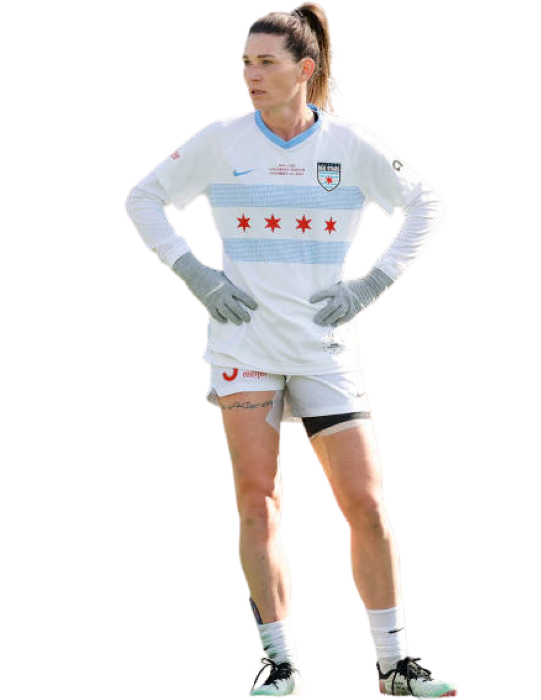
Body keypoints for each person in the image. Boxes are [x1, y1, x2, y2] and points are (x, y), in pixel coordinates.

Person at [124, 4, 455, 697]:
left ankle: (394, 666)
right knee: (257, 502)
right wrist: (194, 271)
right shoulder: (220, 140)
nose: (251, 73)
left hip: (324, 350)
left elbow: (428, 204)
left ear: (305, 70)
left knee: (366, 505)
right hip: (244, 346)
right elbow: (143, 198)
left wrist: (373, 282)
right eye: (245, 62)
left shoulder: (351, 144)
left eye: (265, 62)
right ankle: (281, 664)